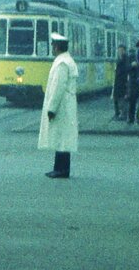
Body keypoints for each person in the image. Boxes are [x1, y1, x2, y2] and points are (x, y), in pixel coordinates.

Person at [38, 32, 78, 178]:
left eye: (53, 46)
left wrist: (52, 108)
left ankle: (61, 170)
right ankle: (59, 168)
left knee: (62, 138)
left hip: (62, 105)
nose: (52, 48)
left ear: (57, 47)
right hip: (65, 104)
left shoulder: (62, 63)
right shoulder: (65, 60)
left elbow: (58, 87)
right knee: (61, 138)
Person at [111, 44, 129, 120]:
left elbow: (126, 71)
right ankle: (118, 113)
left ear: (124, 51)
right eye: (119, 50)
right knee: (116, 98)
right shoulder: (120, 59)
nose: (119, 52)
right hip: (118, 82)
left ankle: (123, 114)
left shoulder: (125, 59)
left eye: (121, 50)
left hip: (122, 82)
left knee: (121, 98)